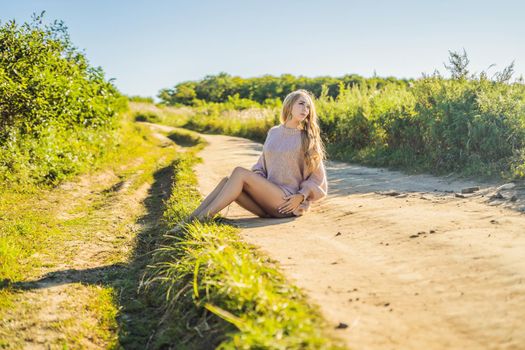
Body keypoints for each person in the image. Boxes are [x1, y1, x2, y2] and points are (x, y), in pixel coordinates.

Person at [174, 89, 328, 229]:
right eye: (301, 104)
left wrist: (301, 196)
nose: (305, 109)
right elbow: (261, 165)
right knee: (227, 181)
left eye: (308, 107)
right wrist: (258, 183)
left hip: (287, 201)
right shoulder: (273, 133)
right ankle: (188, 221)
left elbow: (318, 177)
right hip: (267, 203)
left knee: (239, 173)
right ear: (289, 105)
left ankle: (201, 220)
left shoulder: (307, 138)